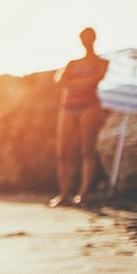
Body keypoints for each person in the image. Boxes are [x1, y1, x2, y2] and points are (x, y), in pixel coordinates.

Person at [50, 27, 109, 207]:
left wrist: (73, 83)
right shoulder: (72, 63)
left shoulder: (102, 62)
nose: (86, 41)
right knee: (62, 153)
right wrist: (81, 83)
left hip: (89, 106)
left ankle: (83, 194)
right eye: (83, 38)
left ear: (94, 39)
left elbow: (92, 82)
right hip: (68, 107)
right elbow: (60, 82)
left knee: (87, 151)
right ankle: (64, 194)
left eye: (89, 37)